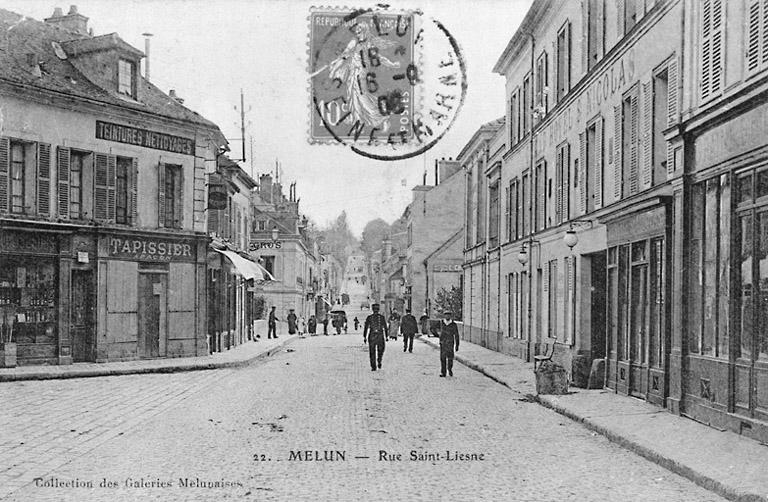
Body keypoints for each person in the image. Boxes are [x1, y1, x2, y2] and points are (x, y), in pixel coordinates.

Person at [364, 304, 388, 371]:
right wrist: (386, 336)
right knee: (381, 350)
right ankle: (379, 360)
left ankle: (373, 366)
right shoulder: (382, 317)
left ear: (372, 309)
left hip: (372, 336)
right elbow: (385, 327)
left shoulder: (369, 317)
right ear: (378, 309)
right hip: (380, 335)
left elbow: (366, 327)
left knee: (372, 352)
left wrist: (364, 336)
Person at [439, 311, 460, 377]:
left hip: (450, 343)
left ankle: (450, 368)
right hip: (443, 343)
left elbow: (456, 335)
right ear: (444, 316)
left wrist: (457, 345)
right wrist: (439, 337)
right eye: (446, 315)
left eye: (448, 315)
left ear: (450, 316)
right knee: (442, 358)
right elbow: (436, 329)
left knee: (450, 358)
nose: (447, 316)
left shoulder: (453, 324)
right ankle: (443, 372)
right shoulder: (442, 323)